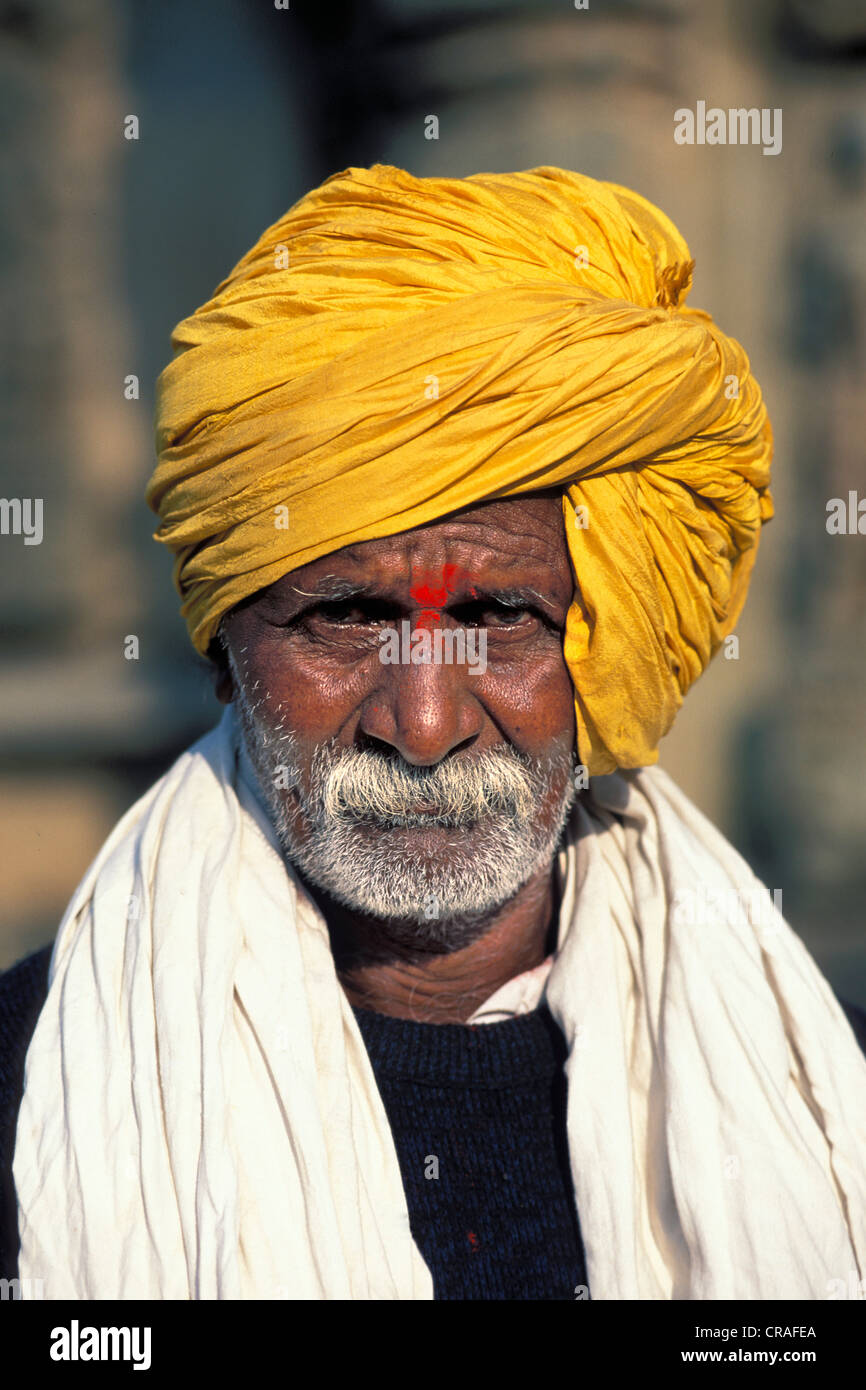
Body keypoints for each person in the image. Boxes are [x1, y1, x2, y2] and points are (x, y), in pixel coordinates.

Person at [2, 164, 865, 1301]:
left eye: (498, 618)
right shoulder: (37, 1091)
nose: (420, 723)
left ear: (609, 639)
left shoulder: (820, 1088)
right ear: (222, 650)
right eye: (343, 618)